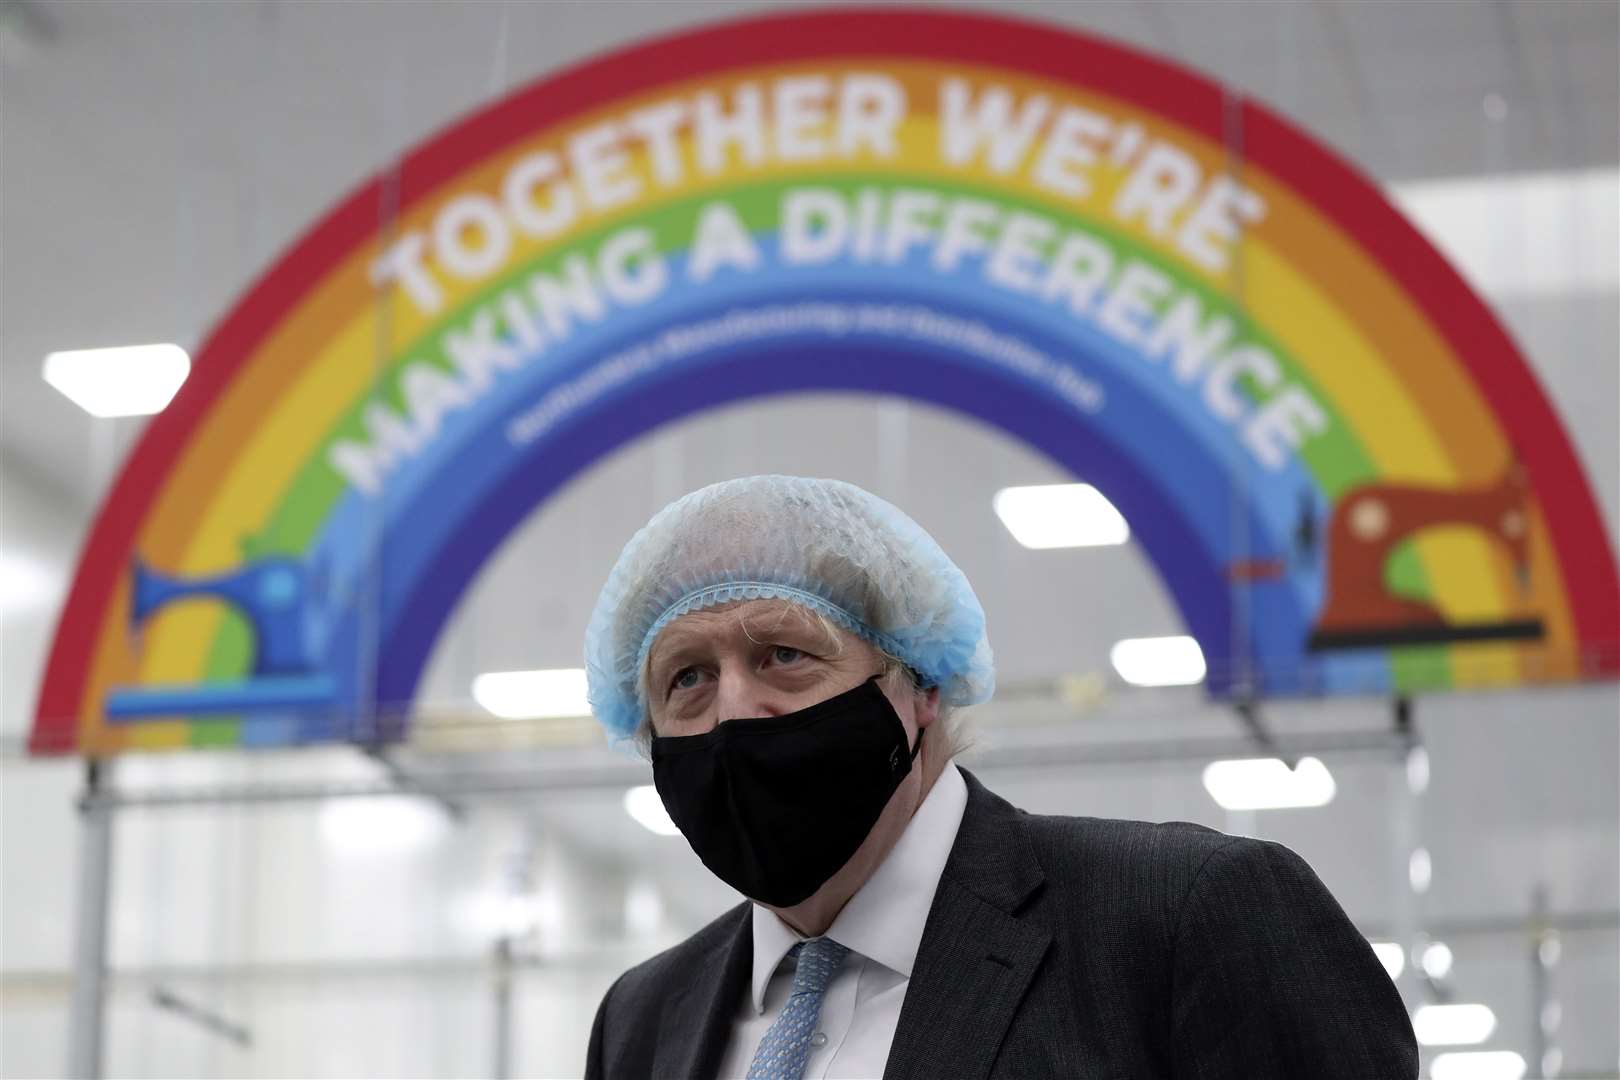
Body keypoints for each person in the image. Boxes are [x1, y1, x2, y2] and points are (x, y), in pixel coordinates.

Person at [582, 475, 1416, 1080]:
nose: (733, 713)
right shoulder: (645, 1018)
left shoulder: (1185, 920)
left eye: (786, 654)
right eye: (686, 677)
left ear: (920, 686)